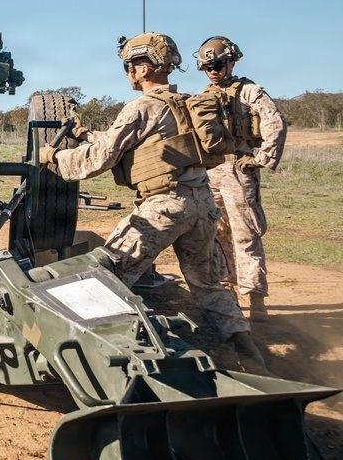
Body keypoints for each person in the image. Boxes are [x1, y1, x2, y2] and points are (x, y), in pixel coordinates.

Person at [39, 32, 266, 373]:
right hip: (203, 206)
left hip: (164, 208)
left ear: (143, 68)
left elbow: (101, 158)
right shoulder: (187, 104)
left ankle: (103, 359)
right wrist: (85, 134)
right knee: (208, 285)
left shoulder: (141, 107)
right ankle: (252, 358)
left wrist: (54, 157)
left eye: (130, 66)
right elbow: (143, 147)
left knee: (106, 272)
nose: (128, 73)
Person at [195, 36, 287, 322]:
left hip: (239, 170)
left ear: (232, 62)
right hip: (210, 172)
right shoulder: (205, 94)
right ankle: (227, 292)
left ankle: (255, 298)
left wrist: (260, 160)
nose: (213, 70)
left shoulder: (249, 91)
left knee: (246, 235)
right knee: (215, 235)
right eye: (208, 66)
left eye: (219, 64)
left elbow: (276, 124)